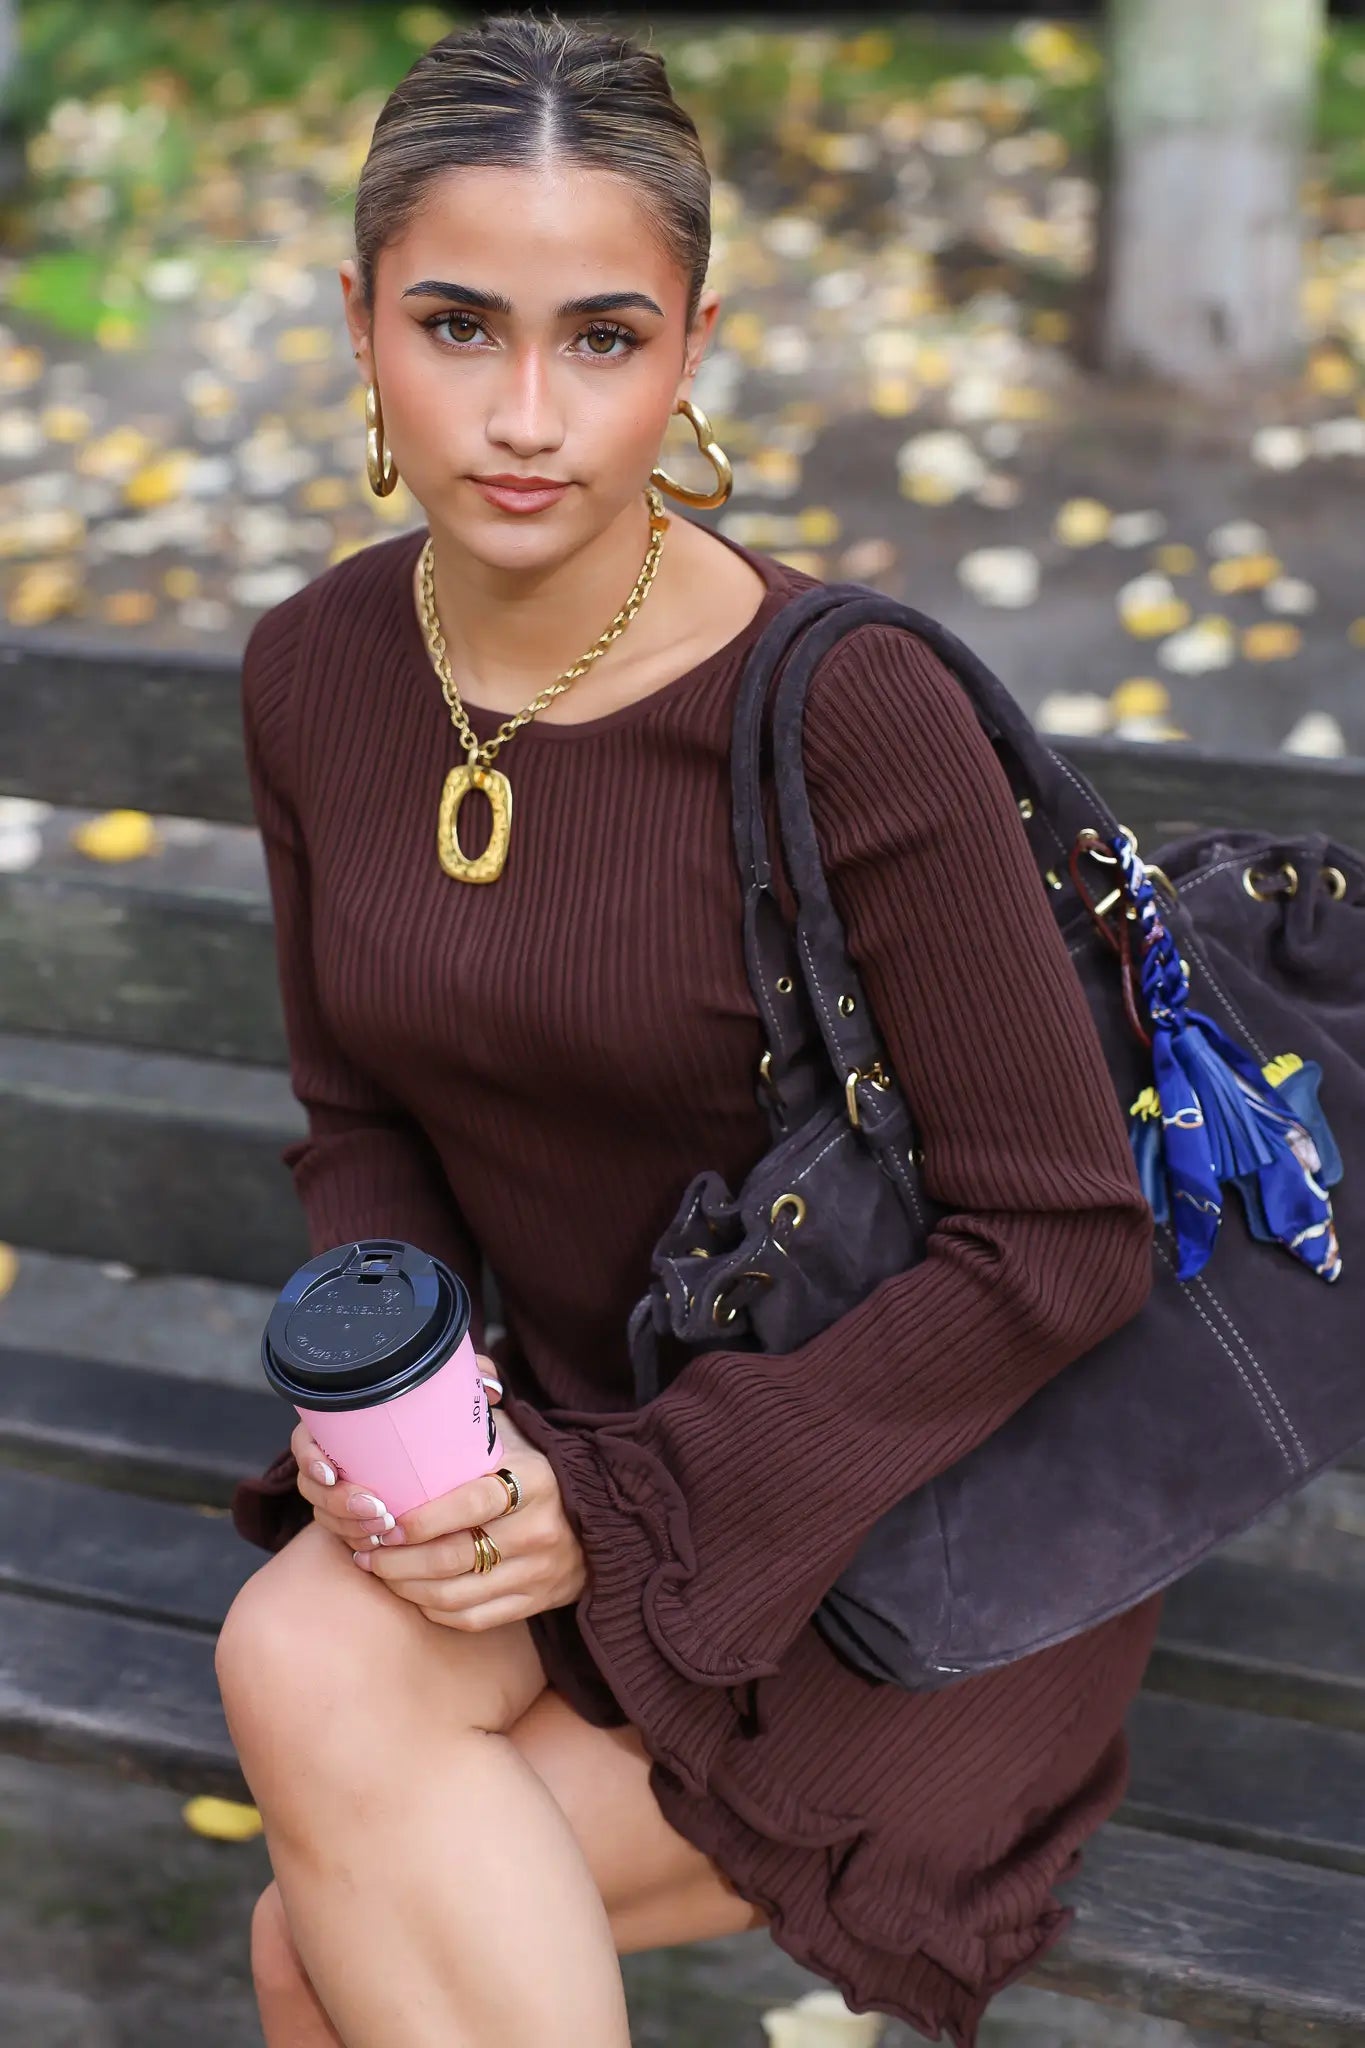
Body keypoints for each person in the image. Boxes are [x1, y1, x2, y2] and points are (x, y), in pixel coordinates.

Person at [216, 14, 1161, 2047]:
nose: (525, 417)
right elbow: (360, 1111)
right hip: (563, 1466)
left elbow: (1065, 1235)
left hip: (899, 1540)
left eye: (602, 338)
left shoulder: (845, 707)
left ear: (691, 348)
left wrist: (630, 1506)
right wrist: (400, 1419)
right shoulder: (315, 672)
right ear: (359, 321)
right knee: (294, 1670)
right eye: (456, 327)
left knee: (319, 1950)